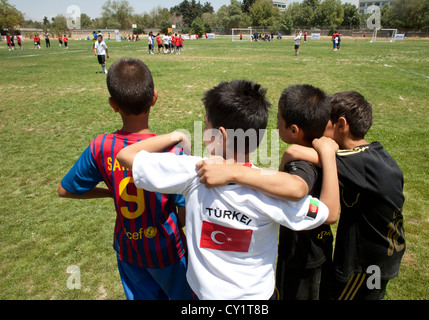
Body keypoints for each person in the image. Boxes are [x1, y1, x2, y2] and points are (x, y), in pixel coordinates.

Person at [116, 80, 340, 300]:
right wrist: (329, 157)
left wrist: (177, 136)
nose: (203, 129)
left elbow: (125, 156)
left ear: (220, 135)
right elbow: (330, 213)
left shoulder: (193, 171)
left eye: (206, 124)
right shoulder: (273, 189)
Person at [57, 57, 194, 300]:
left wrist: (111, 190)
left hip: (129, 249)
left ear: (113, 104)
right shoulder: (171, 152)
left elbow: (66, 190)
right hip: (168, 251)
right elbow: (183, 215)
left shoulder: (101, 146)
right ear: (154, 98)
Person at [195, 84, 337, 300]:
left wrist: (234, 173)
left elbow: (301, 192)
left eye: (279, 119)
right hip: (299, 246)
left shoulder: (302, 164)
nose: (276, 123)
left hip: (305, 254)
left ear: (294, 130)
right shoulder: (303, 156)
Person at [281, 91, 406, 300]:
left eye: (324, 122)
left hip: (365, 265)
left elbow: (296, 152)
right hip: (385, 255)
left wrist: (325, 150)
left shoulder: (355, 163)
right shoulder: (375, 154)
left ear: (341, 124)